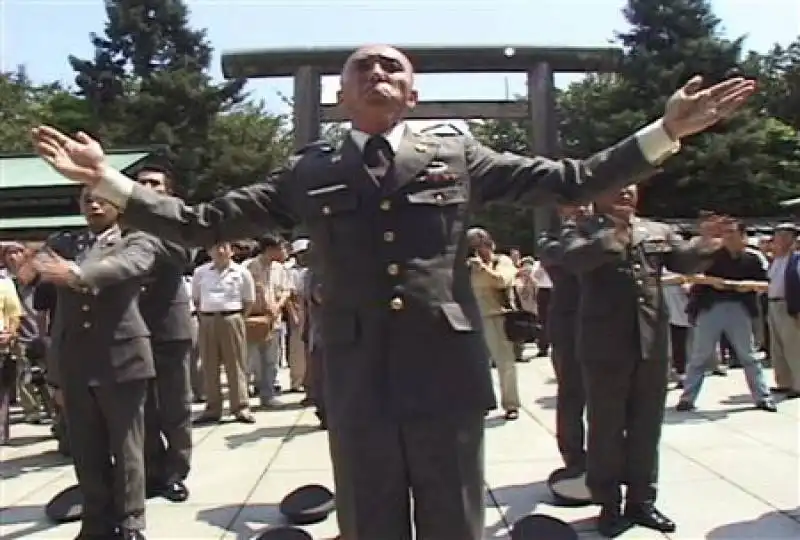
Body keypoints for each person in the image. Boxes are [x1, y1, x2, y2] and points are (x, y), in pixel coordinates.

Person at [33, 44, 753, 540]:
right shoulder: (307, 170)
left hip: (446, 366)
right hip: (355, 370)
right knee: (370, 517)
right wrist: (108, 181)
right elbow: (199, 224)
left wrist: (664, 132)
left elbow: (568, 181)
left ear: (413, 93)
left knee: (453, 515)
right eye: (361, 66)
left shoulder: (456, 152)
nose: (377, 70)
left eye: (393, 66)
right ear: (341, 96)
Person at [560, 184, 722, 538]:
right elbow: (572, 261)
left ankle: (642, 500)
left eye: (631, 186)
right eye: (617, 186)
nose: (626, 192)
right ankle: (607, 503)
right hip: (603, 345)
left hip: (651, 341)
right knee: (606, 426)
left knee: (647, 425)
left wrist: (706, 245)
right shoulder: (581, 229)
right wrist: (612, 236)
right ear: (598, 195)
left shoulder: (656, 230)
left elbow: (684, 259)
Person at [34, 188, 163, 540]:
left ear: (119, 204)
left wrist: (75, 273)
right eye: (86, 199)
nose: (92, 204)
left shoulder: (137, 239)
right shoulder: (67, 243)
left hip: (122, 360)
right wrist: (56, 372)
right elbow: (47, 293)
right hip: (77, 363)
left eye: (100, 198)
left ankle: (131, 522)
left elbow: (127, 267)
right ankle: (96, 521)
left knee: (127, 449)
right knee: (86, 451)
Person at [134, 164, 195, 503]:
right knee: (142, 409)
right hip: (132, 330)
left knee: (175, 407)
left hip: (170, 328)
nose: (146, 187)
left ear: (168, 192)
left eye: (154, 183)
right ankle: (151, 471)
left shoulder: (178, 220)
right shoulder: (123, 218)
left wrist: (146, 228)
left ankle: (176, 472)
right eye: (141, 183)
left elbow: (183, 255)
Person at [536, 204, 590, 476]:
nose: (582, 206)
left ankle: (606, 456)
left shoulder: (598, 232)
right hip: (568, 323)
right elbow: (568, 259)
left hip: (602, 321)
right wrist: (570, 226)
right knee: (571, 393)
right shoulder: (549, 240)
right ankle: (574, 459)